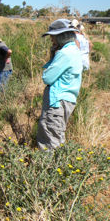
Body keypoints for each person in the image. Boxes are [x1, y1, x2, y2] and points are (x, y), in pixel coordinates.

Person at [37, 19, 83, 151]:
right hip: (67, 101)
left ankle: (49, 169)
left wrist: (54, 55)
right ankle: (60, 167)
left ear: (61, 36)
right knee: (57, 136)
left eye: (53, 36)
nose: (51, 40)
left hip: (57, 102)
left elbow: (47, 77)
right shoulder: (74, 50)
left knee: (49, 140)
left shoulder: (64, 53)